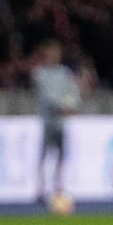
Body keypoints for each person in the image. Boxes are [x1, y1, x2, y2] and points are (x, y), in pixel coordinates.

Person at [29, 40, 84, 211]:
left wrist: (73, 104)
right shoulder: (40, 73)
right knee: (44, 155)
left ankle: (58, 189)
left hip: (61, 123)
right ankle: (41, 190)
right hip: (47, 122)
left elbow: (73, 92)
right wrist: (63, 106)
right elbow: (45, 96)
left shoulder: (64, 73)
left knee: (61, 157)